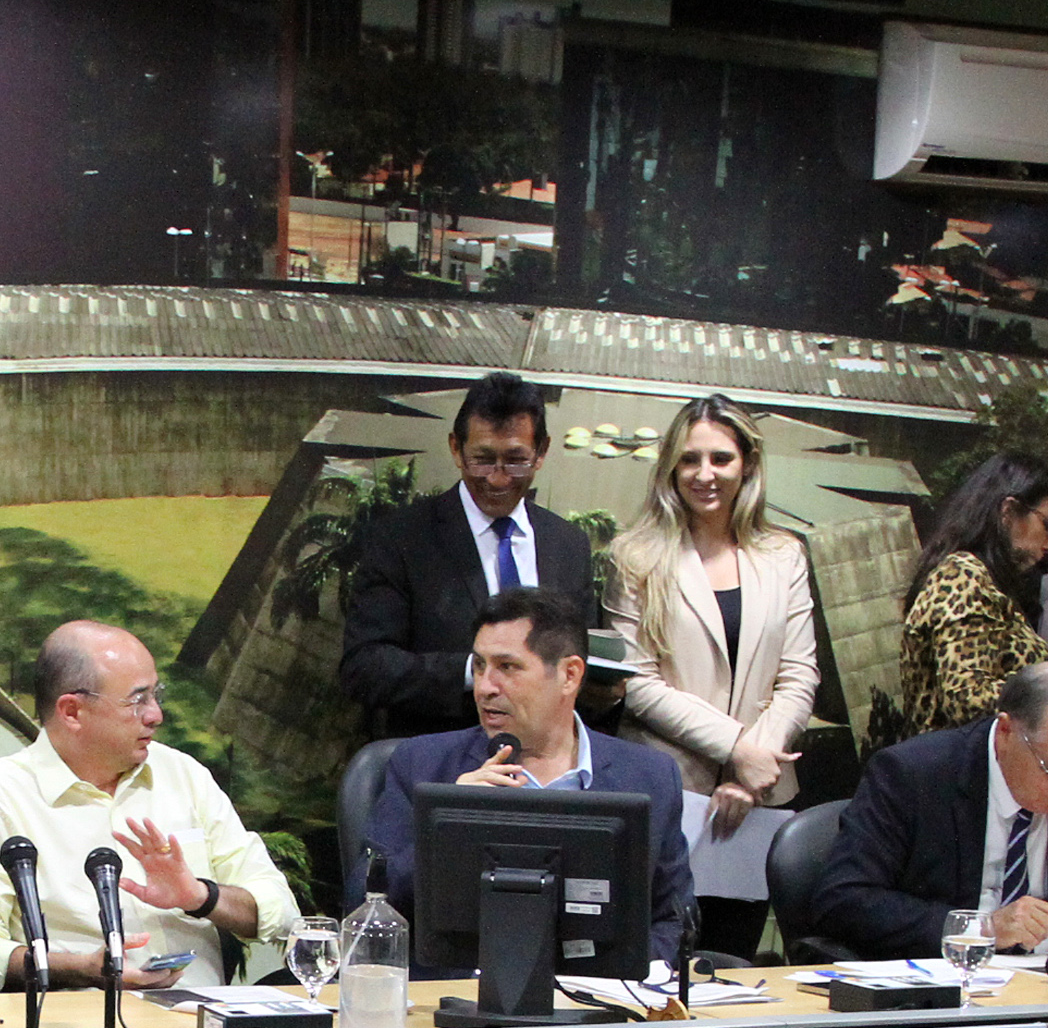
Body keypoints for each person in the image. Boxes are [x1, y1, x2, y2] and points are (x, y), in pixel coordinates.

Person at [0, 623, 299, 989]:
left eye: (156, 695)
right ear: (72, 711)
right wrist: (81, 968)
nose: (156, 715)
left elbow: (281, 911)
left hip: (199, 1016)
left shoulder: (184, 775)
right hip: (75, 1019)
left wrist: (200, 896)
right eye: (137, 700)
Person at [373, 588, 693, 970]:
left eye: (507, 667)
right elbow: (367, 900)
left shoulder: (649, 777)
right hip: (456, 997)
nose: (484, 686)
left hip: (598, 998)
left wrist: (629, 980)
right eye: (479, 666)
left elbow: (673, 918)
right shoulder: (423, 764)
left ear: (569, 675)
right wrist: (446, 830)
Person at [604, 395, 819, 958]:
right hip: (666, 794)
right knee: (652, 966)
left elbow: (799, 674)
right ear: (670, 468)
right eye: (689, 459)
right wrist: (738, 748)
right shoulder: (634, 556)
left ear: (747, 463)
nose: (705, 474)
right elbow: (638, 684)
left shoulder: (785, 555)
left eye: (721, 458)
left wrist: (753, 772)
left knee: (734, 966)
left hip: (759, 803)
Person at [810, 657, 1048, 962]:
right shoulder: (913, 775)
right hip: (941, 980)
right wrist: (981, 929)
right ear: (1006, 731)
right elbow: (843, 901)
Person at [336, 370, 596, 737]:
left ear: (542, 453)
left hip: (547, 758)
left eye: (516, 460)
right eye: (482, 460)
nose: (498, 478)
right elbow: (364, 667)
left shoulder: (568, 545)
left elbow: (584, 659)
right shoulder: (401, 539)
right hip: (443, 752)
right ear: (456, 448)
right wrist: (478, 671)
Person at [889, 452, 1048, 743]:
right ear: (1008, 512)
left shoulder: (981, 577)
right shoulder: (963, 576)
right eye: (1047, 525)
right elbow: (968, 699)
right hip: (959, 762)